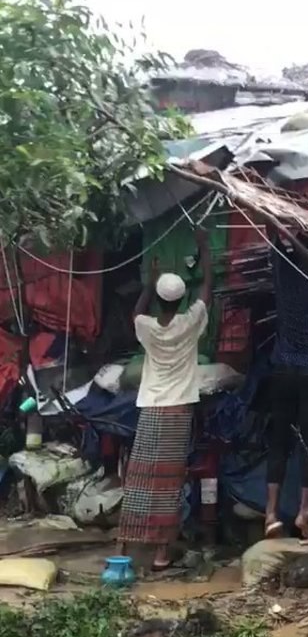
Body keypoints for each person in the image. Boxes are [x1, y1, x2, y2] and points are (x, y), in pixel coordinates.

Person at [118, 227, 211, 570]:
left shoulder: (146, 327)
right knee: (170, 482)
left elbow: (136, 312)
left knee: (140, 478)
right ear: (182, 300)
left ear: (158, 299)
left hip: (151, 407)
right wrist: (205, 249)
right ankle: (160, 553)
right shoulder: (190, 323)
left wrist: (149, 282)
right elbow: (208, 290)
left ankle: (125, 544)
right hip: (178, 408)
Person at [264, 233, 308, 540]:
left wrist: (273, 218)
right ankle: (304, 513)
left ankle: (271, 514)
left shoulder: (282, 270)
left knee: (279, 441)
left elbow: (272, 237)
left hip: (283, 369)